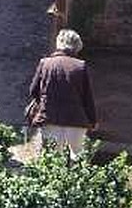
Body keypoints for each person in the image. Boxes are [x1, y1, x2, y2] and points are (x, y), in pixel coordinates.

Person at [26, 29, 97, 159]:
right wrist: (93, 121)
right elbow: (88, 98)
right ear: (77, 48)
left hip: (50, 118)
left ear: (58, 44)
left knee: (51, 161)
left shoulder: (45, 63)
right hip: (76, 120)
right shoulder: (81, 66)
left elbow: (33, 91)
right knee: (78, 159)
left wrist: (45, 102)